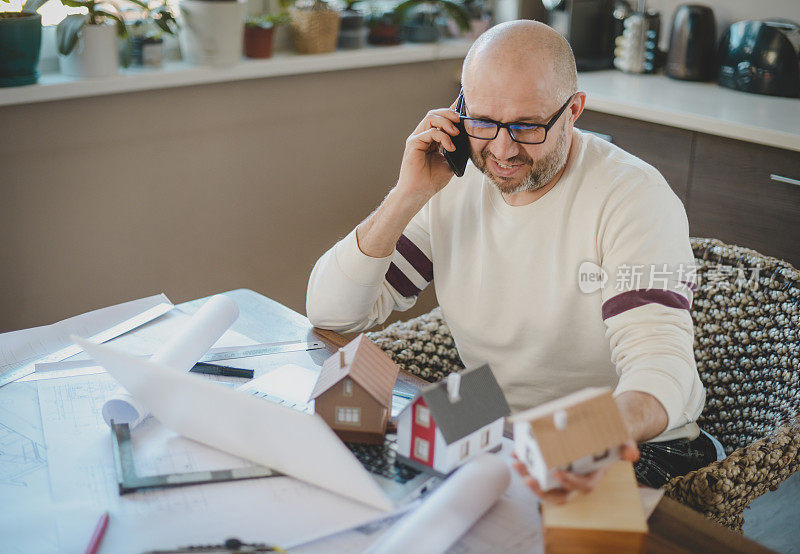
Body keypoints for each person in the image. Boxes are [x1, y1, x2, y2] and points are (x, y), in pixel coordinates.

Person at [306, 20, 720, 502]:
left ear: (575, 111)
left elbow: (663, 370)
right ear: (459, 110)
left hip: (637, 442)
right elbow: (332, 313)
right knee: (355, 478)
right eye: (483, 122)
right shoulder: (452, 181)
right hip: (494, 414)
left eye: (528, 125)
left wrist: (581, 437)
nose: (502, 151)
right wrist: (407, 194)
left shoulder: (633, 196)